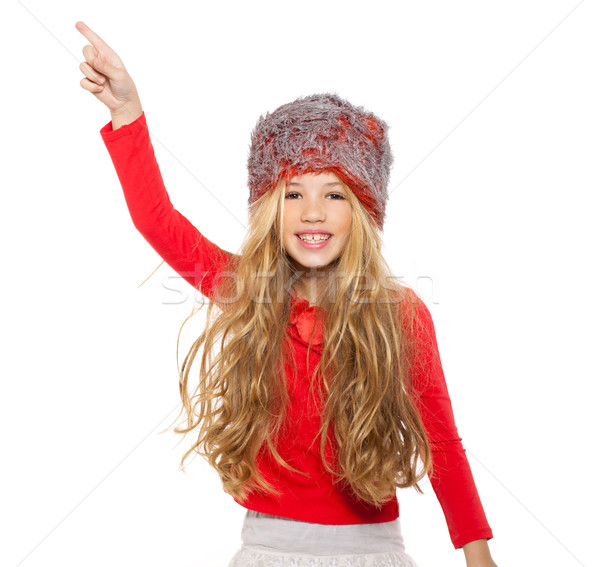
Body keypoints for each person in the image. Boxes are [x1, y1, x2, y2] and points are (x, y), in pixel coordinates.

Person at [75, 21, 498, 567]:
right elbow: (157, 220)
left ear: (363, 214)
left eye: (335, 194)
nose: (313, 212)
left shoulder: (399, 315)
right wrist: (127, 114)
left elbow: (441, 442)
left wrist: (478, 554)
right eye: (293, 192)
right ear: (270, 207)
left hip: (372, 551)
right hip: (268, 548)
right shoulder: (248, 292)